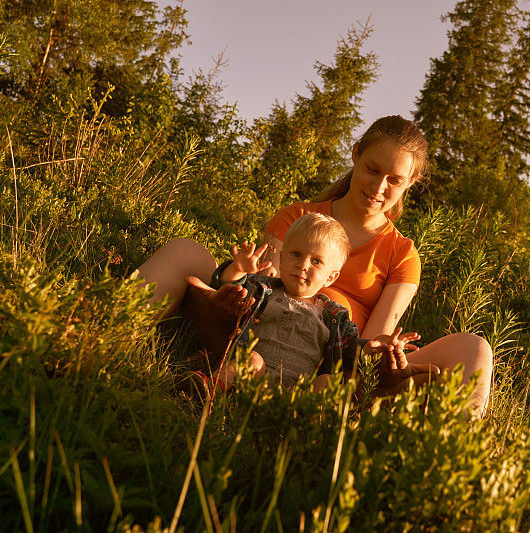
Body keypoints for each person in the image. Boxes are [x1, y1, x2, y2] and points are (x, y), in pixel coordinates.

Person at [137, 115, 493, 416]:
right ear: (355, 155)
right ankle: (112, 327)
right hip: (260, 338)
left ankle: (458, 435)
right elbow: (267, 286)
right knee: (185, 250)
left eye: (395, 180)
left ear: (410, 184)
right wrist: (231, 291)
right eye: (372, 169)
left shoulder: (402, 253)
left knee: (475, 347)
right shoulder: (298, 216)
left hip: (337, 363)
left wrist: (385, 354)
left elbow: (373, 338)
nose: (379, 186)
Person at [183, 213, 427, 399]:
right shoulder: (264, 289)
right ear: (282, 257)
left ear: (330, 277)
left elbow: (350, 346)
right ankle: (209, 389)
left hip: (299, 391)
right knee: (251, 360)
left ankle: (312, 424)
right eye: (297, 255)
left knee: (328, 381)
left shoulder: (332, 315)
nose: (303, 265)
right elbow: (233, 289)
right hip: (252, 378)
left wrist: (374, 347)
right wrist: (239, 271)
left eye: (316, 261)